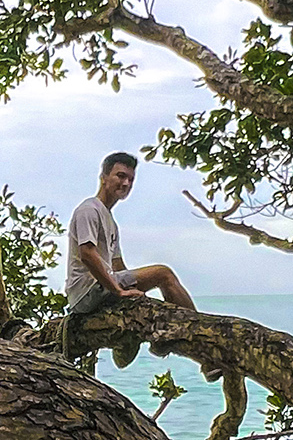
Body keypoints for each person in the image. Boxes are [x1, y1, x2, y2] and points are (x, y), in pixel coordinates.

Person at [64, 153, 195, 363]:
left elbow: (118, 267)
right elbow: (87, 254)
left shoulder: (110, 221)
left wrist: (135, 292)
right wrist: (118, 290)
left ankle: (155, 340)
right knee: (164, 274)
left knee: (147, 294)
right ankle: (197, 335)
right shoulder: (89, 209)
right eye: (120, 176)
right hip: (86, 291)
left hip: (100, 289)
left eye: (130, 179)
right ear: (104, 177)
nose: (126, 183)